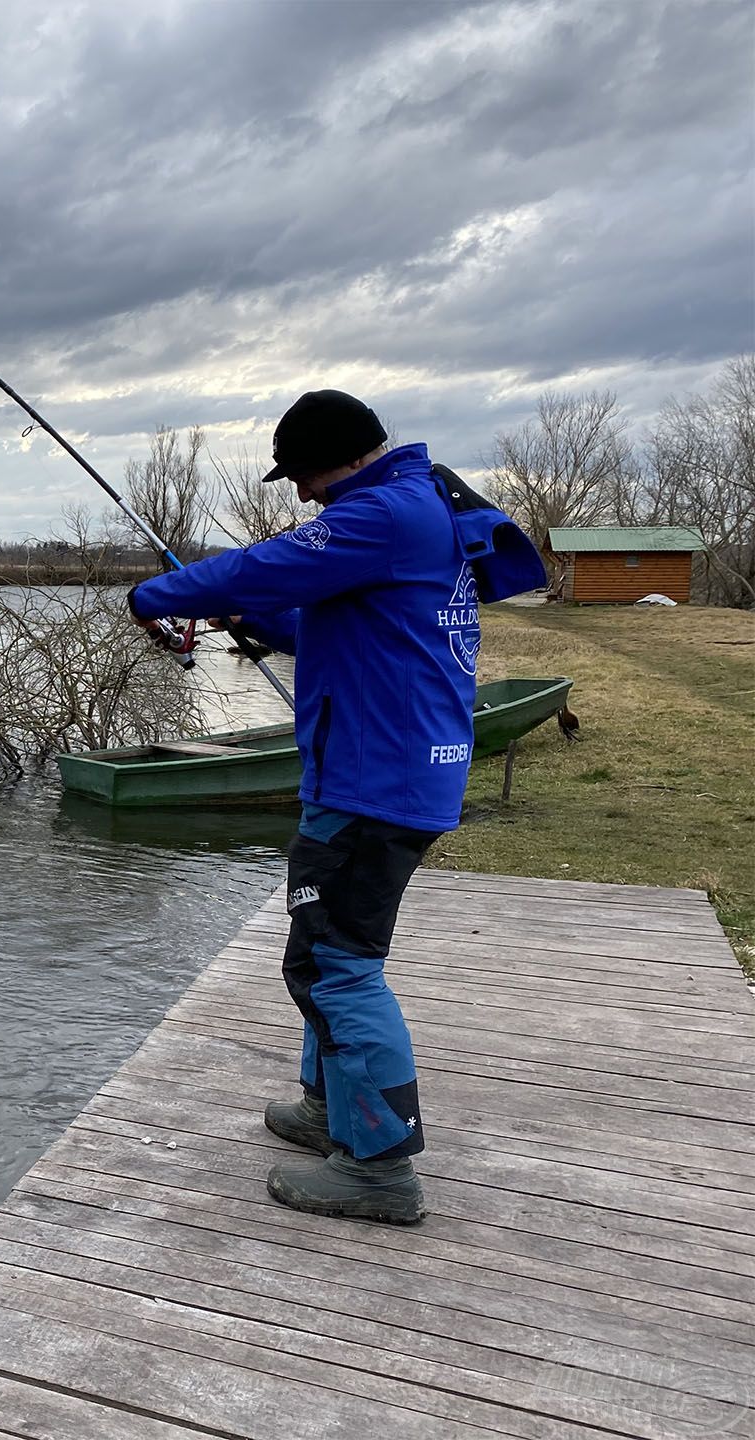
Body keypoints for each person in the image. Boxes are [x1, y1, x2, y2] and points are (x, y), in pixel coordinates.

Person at [125, 389, 542, 1225]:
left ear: (342, 457)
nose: (303, 492)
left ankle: (380, 1166)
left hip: (371, 783)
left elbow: (263, 563)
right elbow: (330, 624)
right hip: (388, 773)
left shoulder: (382, 511)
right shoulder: (412, 514)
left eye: (305, 474)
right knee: (324, 956)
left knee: (337, 966)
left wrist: (158, 594)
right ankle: (331, 1113)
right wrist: (249, 618)